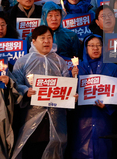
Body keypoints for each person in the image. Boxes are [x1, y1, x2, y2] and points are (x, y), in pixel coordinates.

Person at [11, 25, 72, 158]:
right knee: (32, 149)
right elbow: (15, 85)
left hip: (56, 117)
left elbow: (67, 84)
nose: (46, 41)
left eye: (49, 37)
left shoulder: (59, 61)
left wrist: (72, 95)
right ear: (33, 41)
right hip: (31, 115)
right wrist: (26, 91)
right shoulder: (23, 61)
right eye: (42, 38)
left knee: (55, 149)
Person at [70, 35, 117, 159]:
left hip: (104, 118)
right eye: (91, 45)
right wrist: (72, 78)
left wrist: (108, 105)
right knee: (80, 150)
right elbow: (68, 94)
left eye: (99, 45)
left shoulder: (114, 68)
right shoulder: (77, 68)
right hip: (82, 118)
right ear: (85, 48)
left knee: (105, 149)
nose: (95, 48)